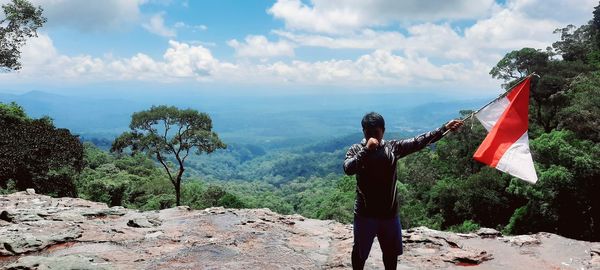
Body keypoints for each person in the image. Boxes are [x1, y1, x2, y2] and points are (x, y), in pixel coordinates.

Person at [343, 112, 463, 270]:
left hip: (389, 215)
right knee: (359, 253)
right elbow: (348, 168)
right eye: (368, 132)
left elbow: (419, 141)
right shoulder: (356, 149)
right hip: (365, 215)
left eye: (376, 132)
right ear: (363, 131)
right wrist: (367, 150)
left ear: (383, 131)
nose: (372, 136)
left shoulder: (392, 149)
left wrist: (444, 129)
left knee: (391, 254)